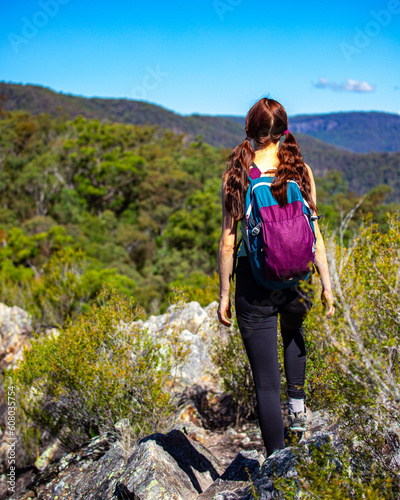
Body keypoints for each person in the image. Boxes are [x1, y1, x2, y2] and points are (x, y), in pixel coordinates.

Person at [217, 97, 335, 457]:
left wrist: (224, 294)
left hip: (254, 283)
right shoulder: (301, 169)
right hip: (298, 279)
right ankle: (299, 411)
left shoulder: (237, 173)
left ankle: (275, 469)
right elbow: (314, 233)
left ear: (249, 131)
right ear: (284, 132)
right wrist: (327, 285)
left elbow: (227, 241)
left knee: (267, 386)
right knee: (295, 334)